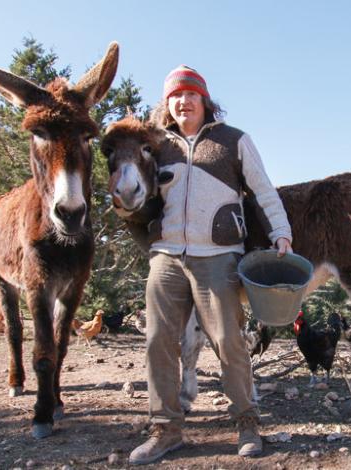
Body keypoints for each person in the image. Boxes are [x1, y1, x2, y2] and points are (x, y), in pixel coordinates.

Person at [129, 65, 293, 465]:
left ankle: (247, 422)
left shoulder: (233, 140)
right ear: (167, 104)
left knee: (230, 341)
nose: (183, 102)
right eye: (175, 96)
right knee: (157, 343)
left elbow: (263, 191)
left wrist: (281, 232)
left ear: (204, 100)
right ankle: (166, 429)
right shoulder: (154, 146)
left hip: (218, 256)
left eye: (190, 94)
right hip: (167, 256)